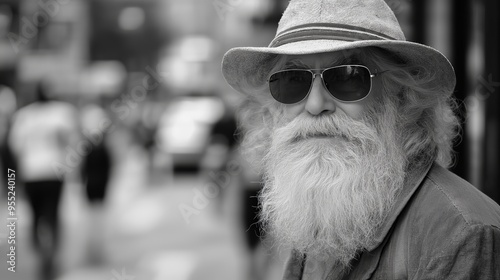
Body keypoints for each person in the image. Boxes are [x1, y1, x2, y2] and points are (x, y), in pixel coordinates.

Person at [221, 0, 500, 279]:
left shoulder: (460, 233)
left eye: (348, 77)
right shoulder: (322, 210)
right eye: (293, 81)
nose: (316, 104)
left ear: (401, 97)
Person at [9, 82, 80, 280]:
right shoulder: (62, 113)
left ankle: (41, 251)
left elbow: (15, 146)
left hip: (31, 172)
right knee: (52, 212)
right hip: (53, 171)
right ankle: (51, 252)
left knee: (35, 214)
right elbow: (72, 140)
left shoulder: (24, 116)